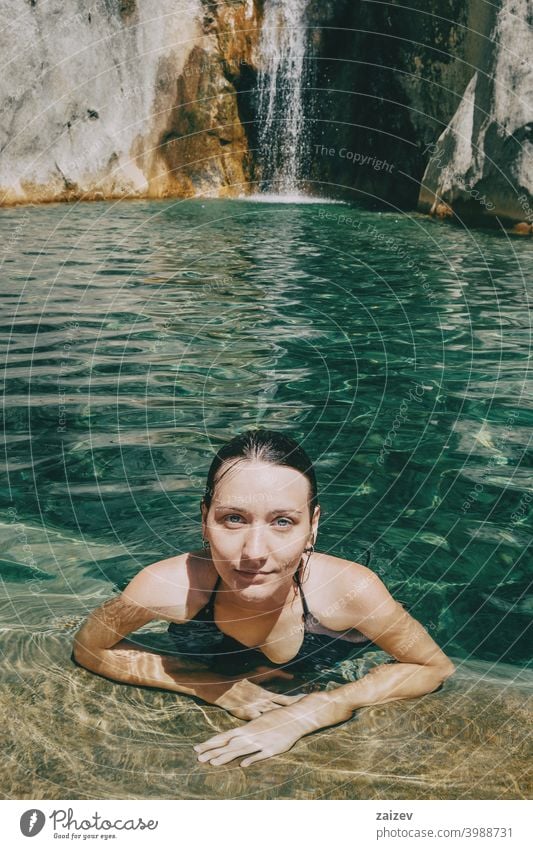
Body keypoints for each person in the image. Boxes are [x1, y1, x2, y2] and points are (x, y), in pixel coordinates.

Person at [73, 428, 455, 767]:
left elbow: (433, 667)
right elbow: (89, 648)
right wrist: (207, 684)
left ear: (313, 526)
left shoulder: (348, 590)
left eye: (283, 522)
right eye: (233, 519)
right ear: (204, 519)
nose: (255, 551)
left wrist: (319, 708)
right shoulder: (166, 586)